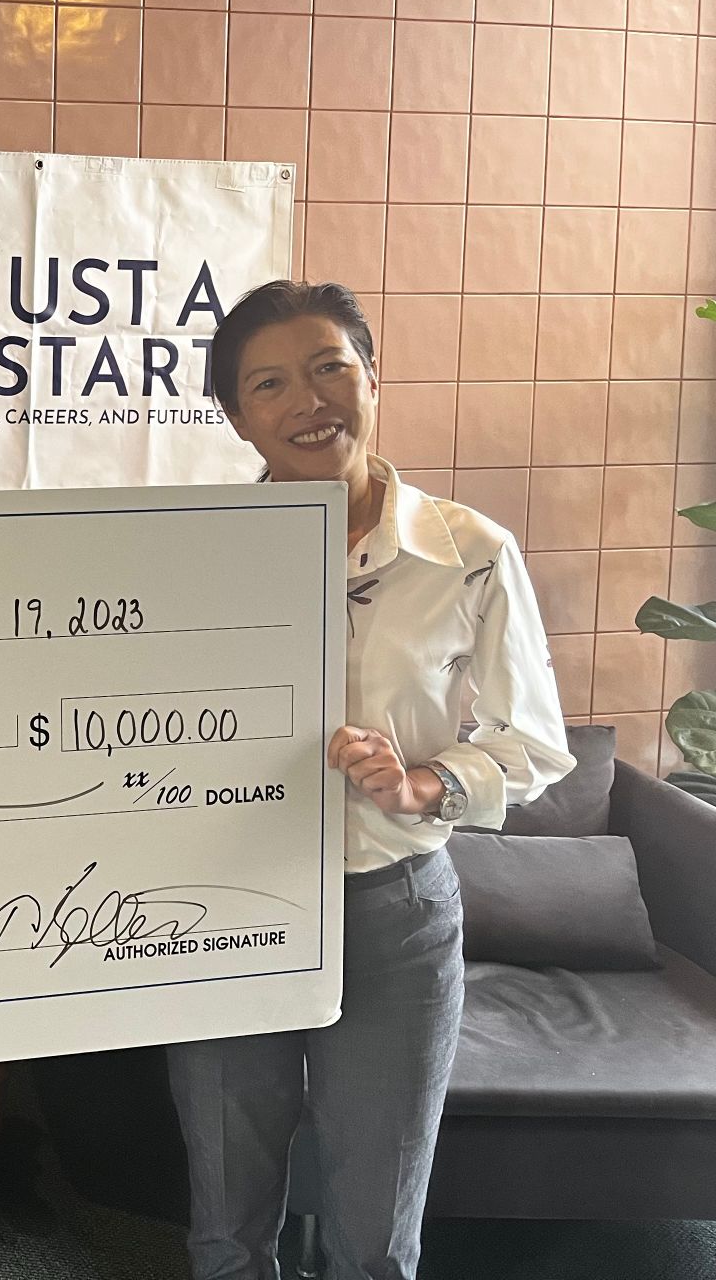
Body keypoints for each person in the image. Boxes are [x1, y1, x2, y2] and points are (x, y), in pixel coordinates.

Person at [167, 280, 574, 1280]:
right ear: (236, 417)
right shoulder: (187, 551)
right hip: (224, 908)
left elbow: (538, 743)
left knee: (376, 1232)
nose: (308, 401)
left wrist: (427, 785)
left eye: (329, 368)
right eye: (269, 384)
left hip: (393, 916)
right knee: (227, 1218)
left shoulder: (469, 553)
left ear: (371, 377)